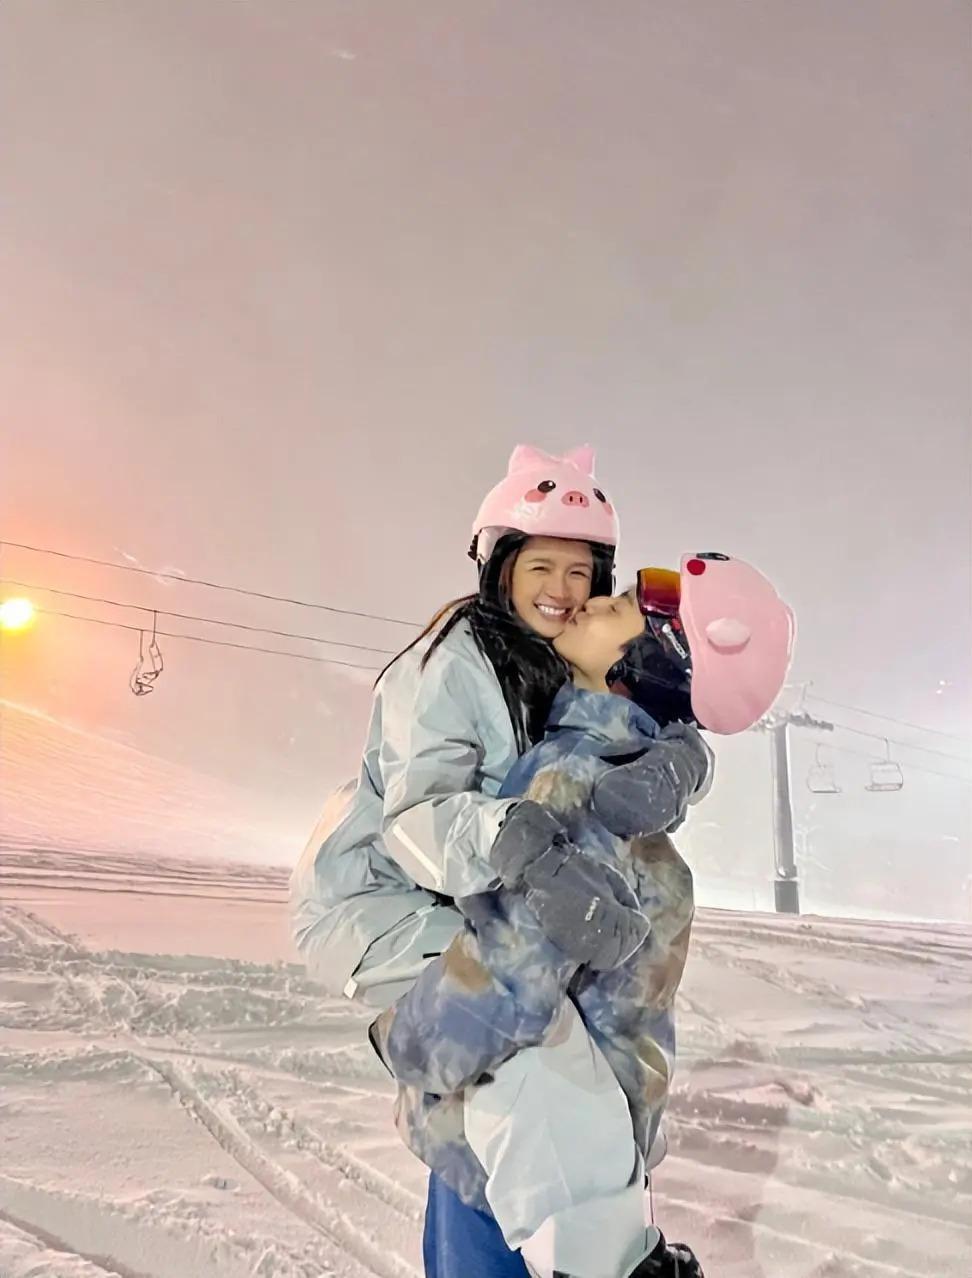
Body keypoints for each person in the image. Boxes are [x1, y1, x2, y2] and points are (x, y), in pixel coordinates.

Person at [372, 554, 794, 1278]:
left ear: (644, 668)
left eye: (619, 609)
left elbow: (511, 975)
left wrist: (407, 1042)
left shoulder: (572, 775)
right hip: (593, 1155)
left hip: (514, 1159)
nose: (591, 605)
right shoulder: (636, 770)